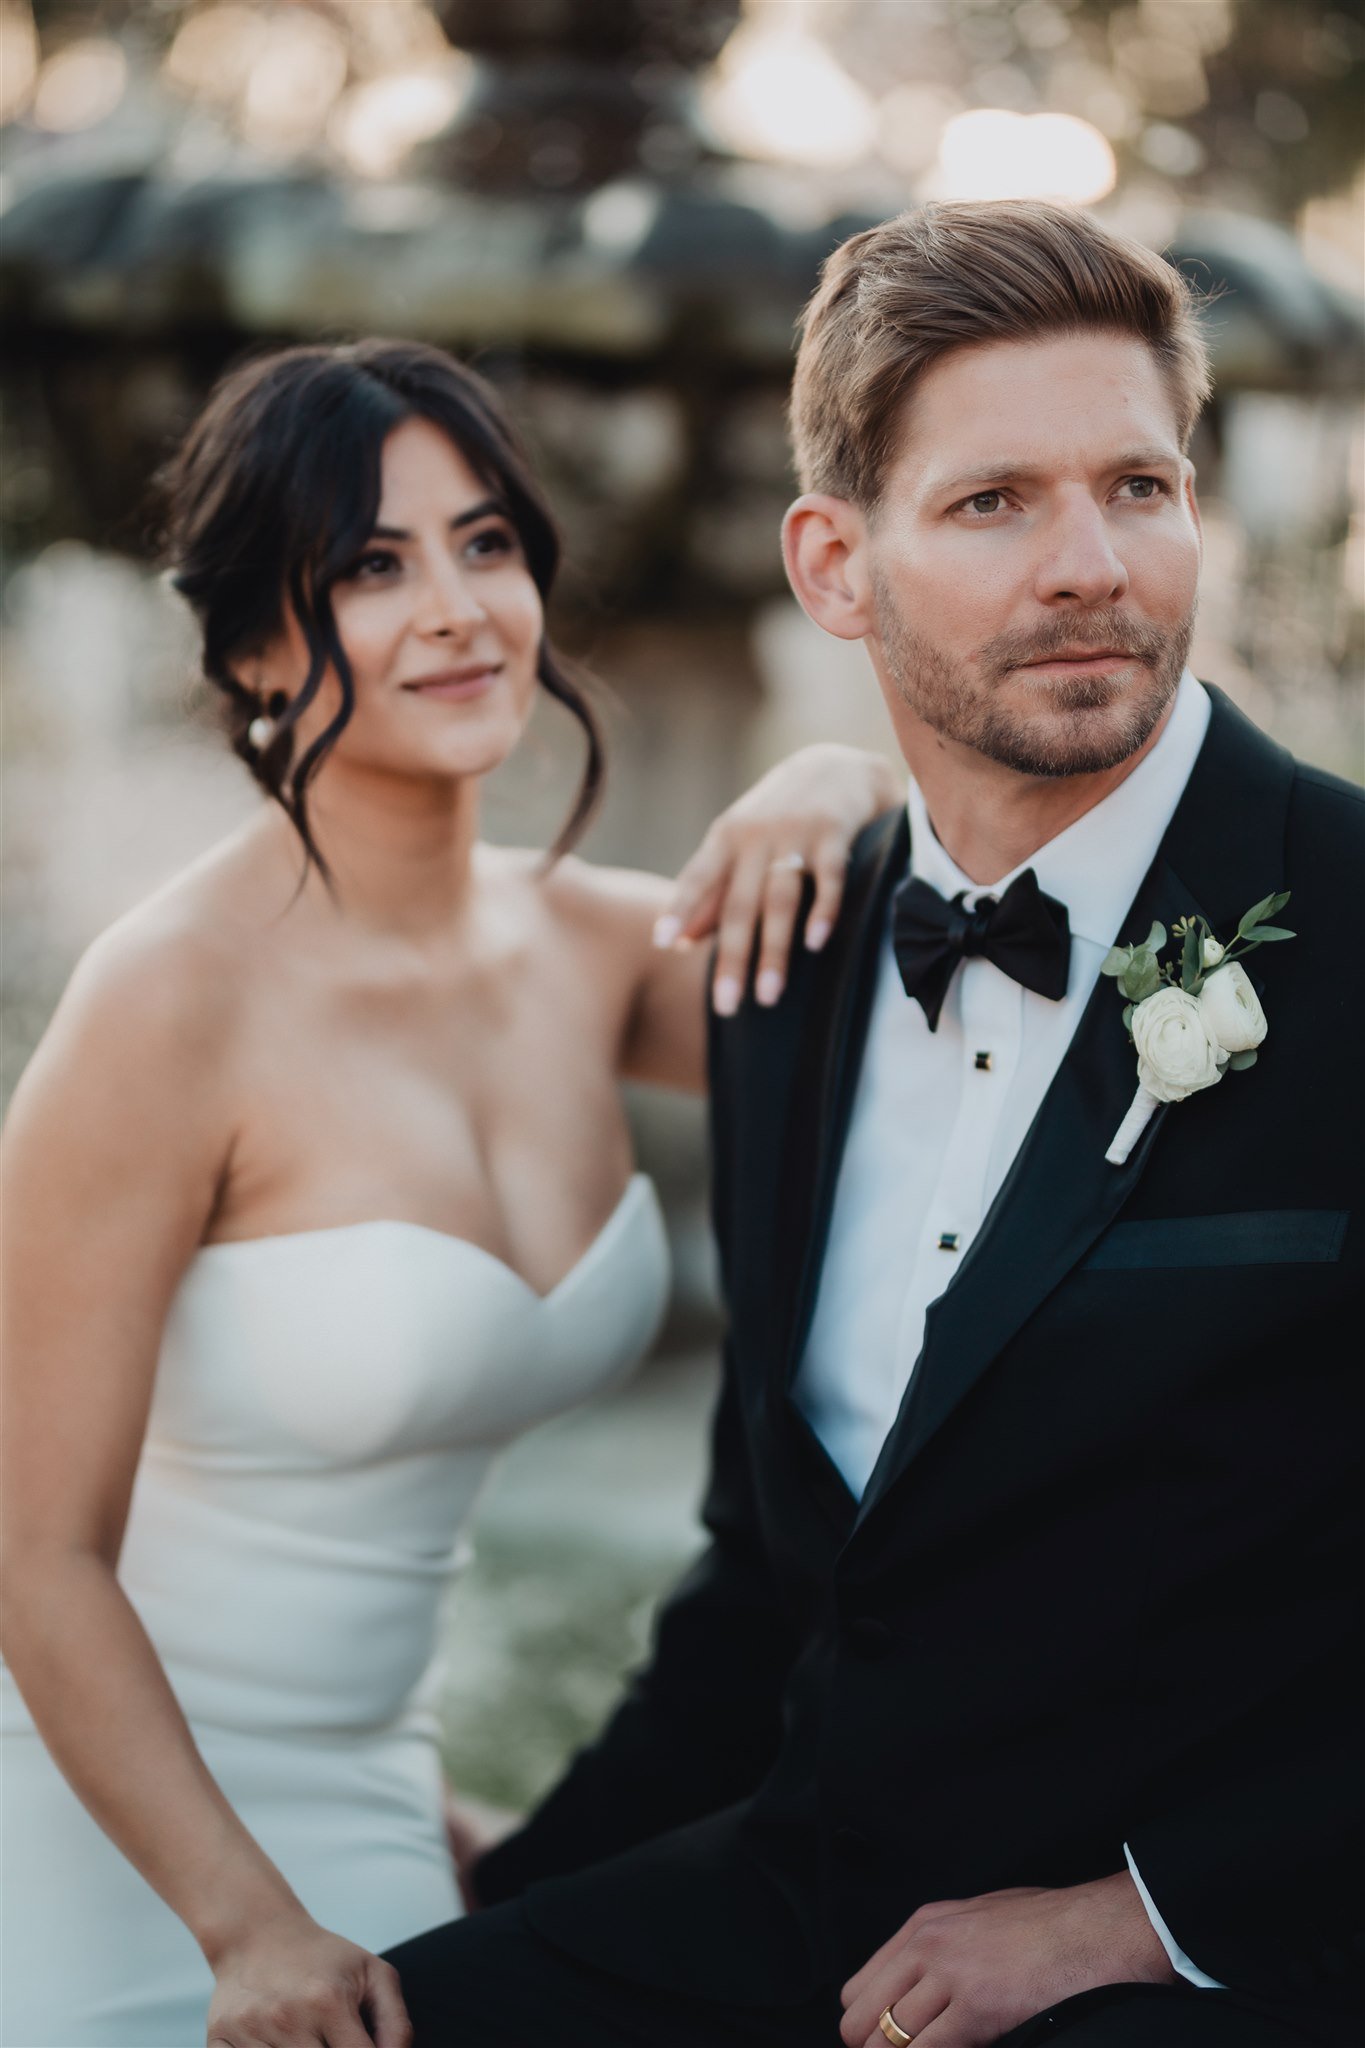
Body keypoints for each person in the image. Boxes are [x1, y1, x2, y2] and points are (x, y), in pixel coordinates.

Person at [387, 202, 1364, 2047]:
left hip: (1237, 1951)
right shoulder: (795, 960)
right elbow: (778, 1576)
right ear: (834, 565)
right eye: (993, 503)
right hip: (814, 1899)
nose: (1093, 566)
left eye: (1138, 489)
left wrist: (1135, 1919)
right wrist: (520, 1888)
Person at [0, 337, 901, 2048]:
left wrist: (836, 777)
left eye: (486, 544)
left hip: (385, 1809)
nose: (458, 609)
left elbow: (919, 1010)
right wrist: (246, 1926)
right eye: (371, 566)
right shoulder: (165, 1003)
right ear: (260, 641)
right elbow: (33, 1557)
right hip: (111, 1829)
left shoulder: (585, 950)